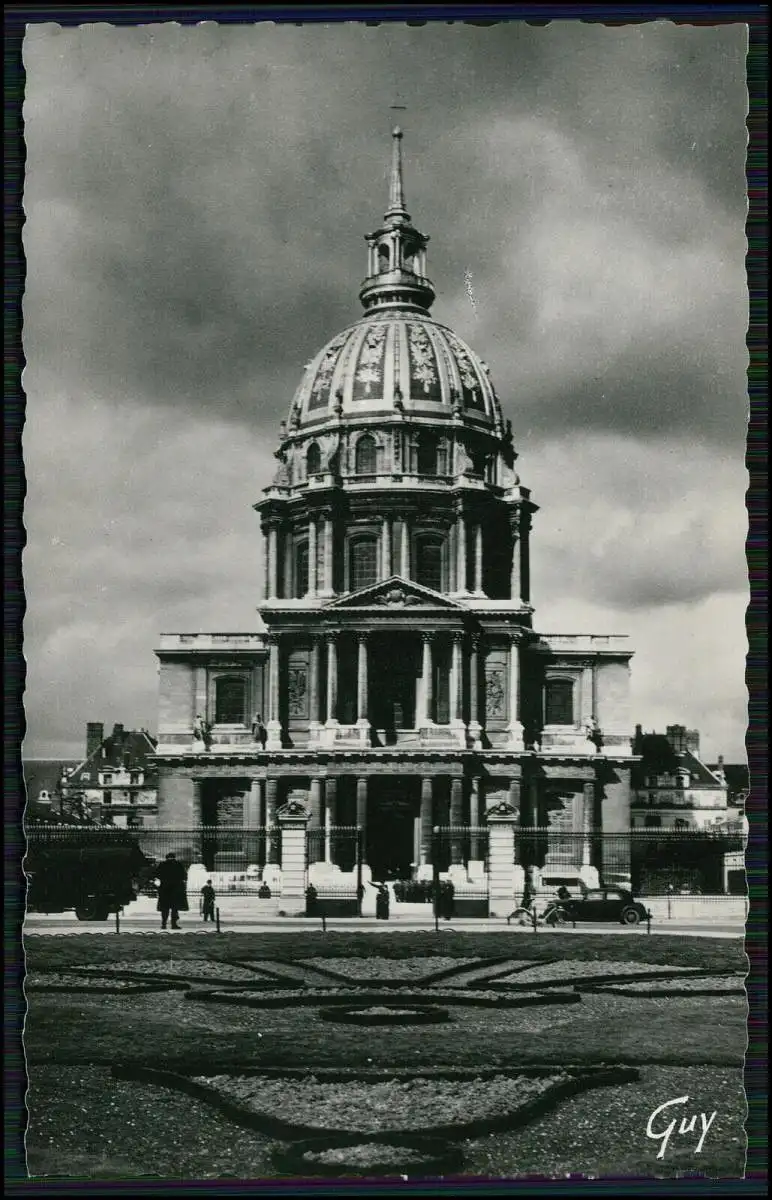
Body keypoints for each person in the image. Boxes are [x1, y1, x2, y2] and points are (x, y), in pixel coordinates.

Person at [156, 852, 189, 930]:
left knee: (165, 908)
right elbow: (184, 876)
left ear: (166, 857)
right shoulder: (178, 864)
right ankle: (174, 924)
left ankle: (163, 924)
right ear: (174, 857)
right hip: (176, 890)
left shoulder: (162, 865)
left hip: (164, 889)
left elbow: (156, 874)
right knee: (175, 908)